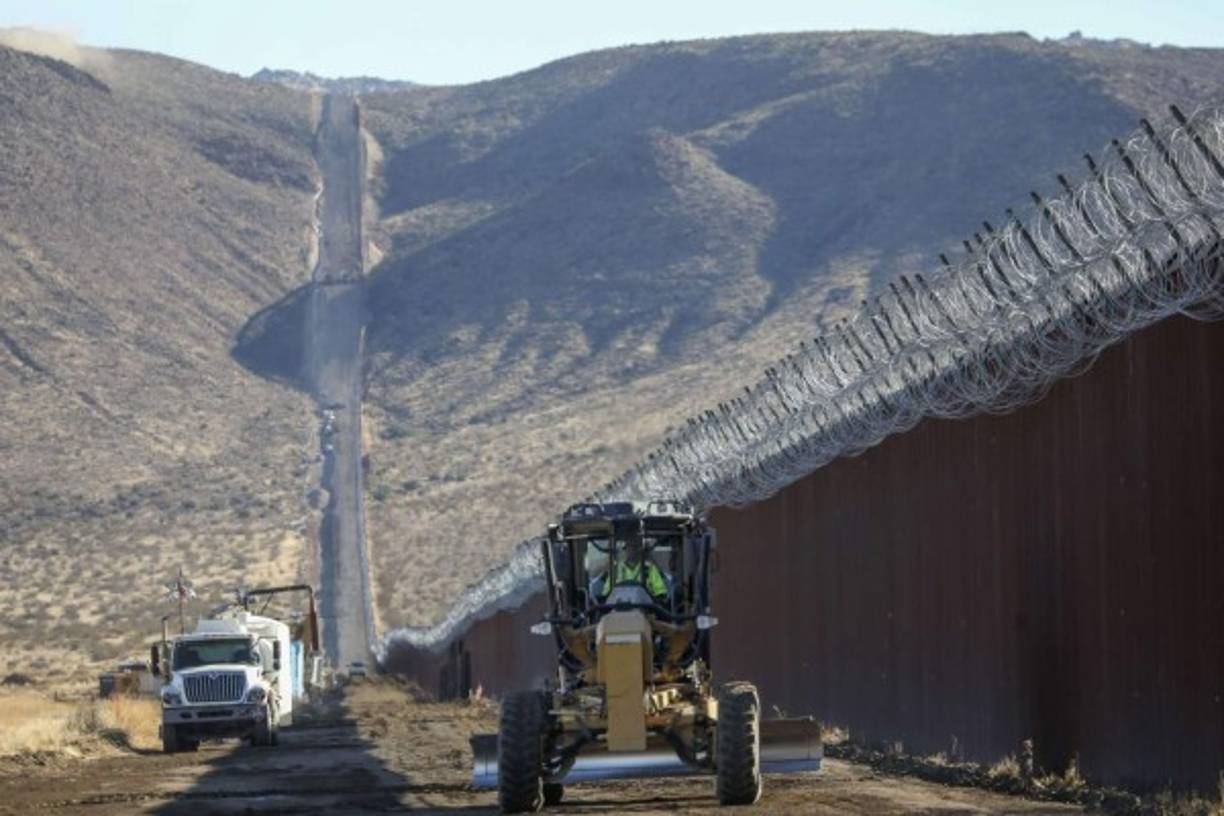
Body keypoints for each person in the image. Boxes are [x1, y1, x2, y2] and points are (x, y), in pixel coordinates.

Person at [601, 535, 668, 599]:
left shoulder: (649, 568)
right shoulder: (616, 569)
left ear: (640, 549)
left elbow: (660, 592)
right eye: (629, 547)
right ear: (625, 549)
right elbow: (606, 593)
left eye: (635, 547)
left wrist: (658, 598)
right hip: (619, 608)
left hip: (645, 608)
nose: (632, 550)